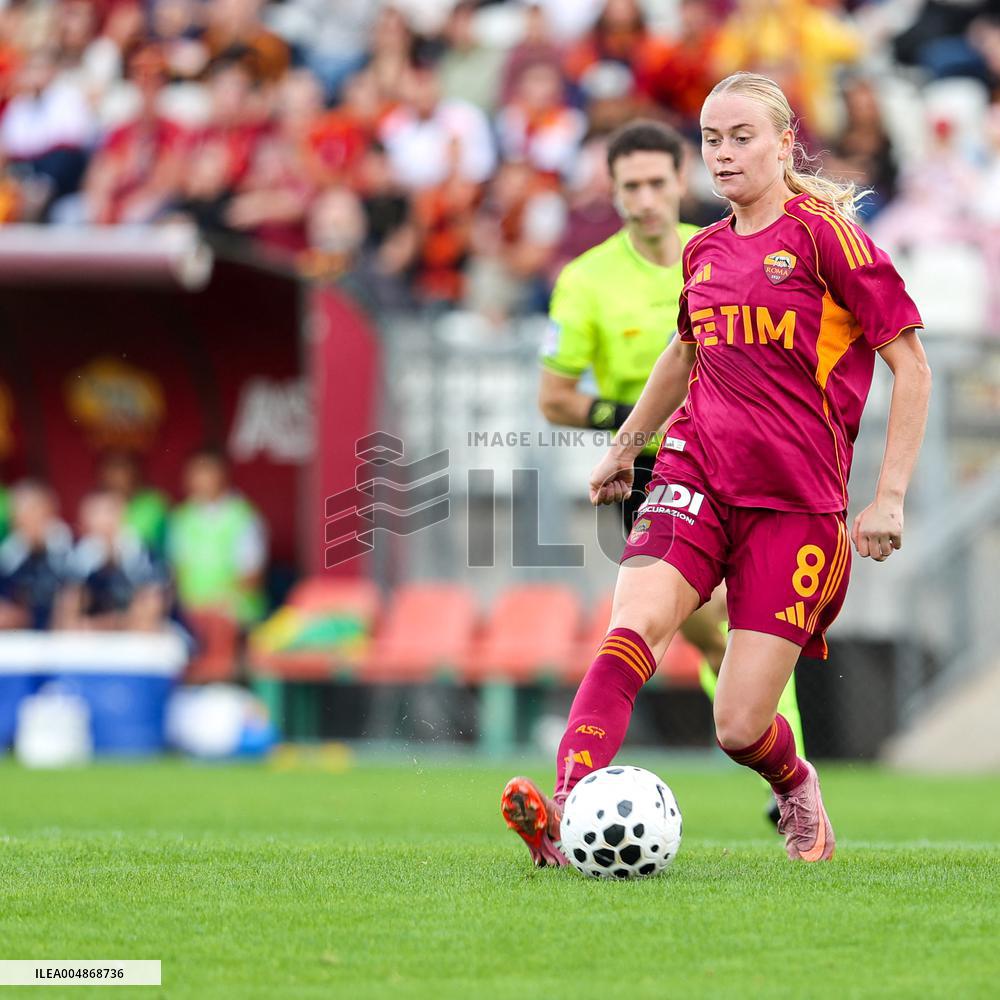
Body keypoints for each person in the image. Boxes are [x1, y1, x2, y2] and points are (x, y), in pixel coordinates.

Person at [504, 72, 931, 866]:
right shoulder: (702, 249)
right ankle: (565, 808)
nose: (724, 153)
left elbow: (912, 365)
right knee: (633, 624)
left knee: (738, 726)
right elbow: (684, 349)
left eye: (741, 138)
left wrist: (890, 498)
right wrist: (628, 446)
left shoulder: (825, 237)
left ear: (782, 143)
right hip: (693, 472)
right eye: (711, 138)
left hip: (795, 504)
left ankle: (795, 784)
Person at [537, 118, 805, 825]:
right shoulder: (586, 280)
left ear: (682, 177)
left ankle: (786, 783)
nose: (647, 199)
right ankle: (583, 790)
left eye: (658, 182)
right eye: (631, 187)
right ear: (614, 191)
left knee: (726, 629)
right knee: (698, 630)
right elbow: (555, 398)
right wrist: (632, 425)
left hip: (742, 466)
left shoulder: (722, 249)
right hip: (653, 472)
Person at [166, 447, 267, 626]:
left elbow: (252, 577)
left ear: (223, 474)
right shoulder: (181, 518)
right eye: (194, 472)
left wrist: (218, 603)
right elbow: (177, 571)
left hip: (235, 616)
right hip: (192, 616)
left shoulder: (243, 517)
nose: (198, 479)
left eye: (205, 471)